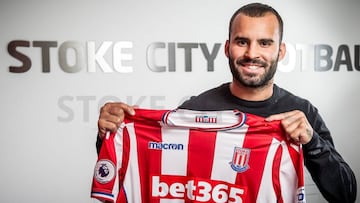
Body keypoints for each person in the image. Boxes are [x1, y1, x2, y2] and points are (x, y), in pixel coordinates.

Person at [96, 3, 357, 203]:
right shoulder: (194, 109)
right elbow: (149, 167)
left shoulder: (302, 113)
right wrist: (110, 134)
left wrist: (312, 142)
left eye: (264, 43)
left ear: (280, 51)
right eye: (242, 42)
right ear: (227, 48)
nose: (252, 53)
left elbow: (345, 194)